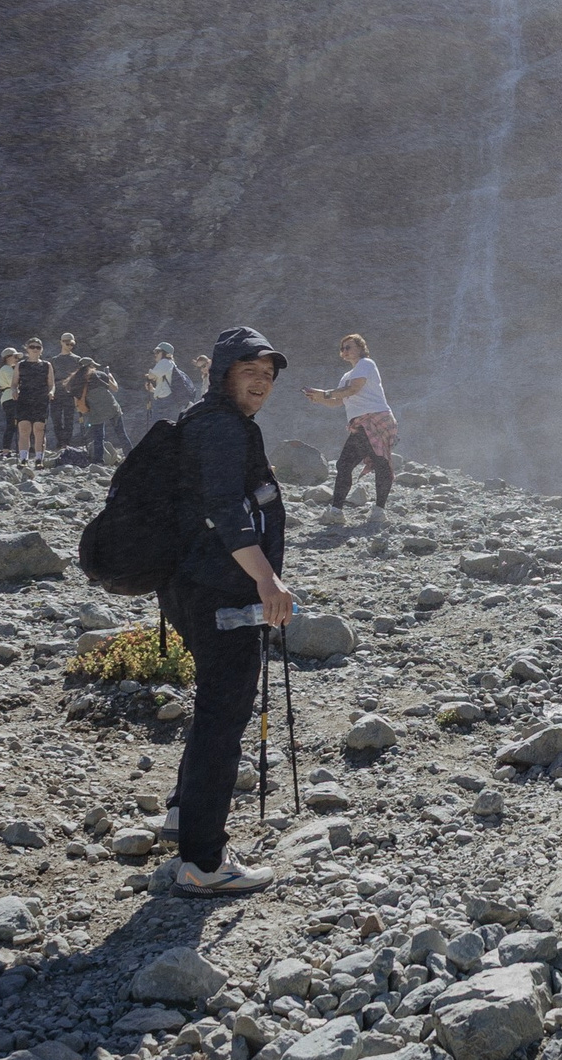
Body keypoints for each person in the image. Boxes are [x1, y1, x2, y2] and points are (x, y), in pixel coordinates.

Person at [154, 326, 295, 898]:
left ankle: (185, 815)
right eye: (249, 372)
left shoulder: (207, 421)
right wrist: (268, 579)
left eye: (268, 374)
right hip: (221, 592)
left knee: (214, 702)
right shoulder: (219, 427)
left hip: (195, 585)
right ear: (222, 375)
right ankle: (203, 862)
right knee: (224, 713)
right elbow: (223, 511)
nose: (261, 382)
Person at [307, 333, 398, 519]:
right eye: (342, 348)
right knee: (371, 463)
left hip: (373, 419)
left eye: (348, 347)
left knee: (359, 464)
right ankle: (372, 511)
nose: (345, 351)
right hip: (362, 423)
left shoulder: (366, 364)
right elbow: (338, 401)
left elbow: (354, 389)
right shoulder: (346, 376)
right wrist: (320, 399)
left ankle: (340, 511)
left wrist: (324, 394)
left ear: (360, 348)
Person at [12, 338, 54, 463]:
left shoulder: (47, 365)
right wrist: (14, 391)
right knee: (24, 428)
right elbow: (14, 383)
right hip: (24, 399)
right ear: (27, 349)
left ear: (41, 350)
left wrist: (51, 392)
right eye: (32, 347)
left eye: (38, 347)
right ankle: (23, 458)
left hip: (41, 399)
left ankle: (39, 459)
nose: (35, 349)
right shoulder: (21, 365)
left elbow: (51, 384)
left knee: (39, 428)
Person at [76, 361, 124, 463]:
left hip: (94, 411)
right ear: (91, 366)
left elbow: (77, 399)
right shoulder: (100, 375)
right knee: (121, 434)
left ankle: (98, 461)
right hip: (111, 408)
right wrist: (110, 377)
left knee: (98, 437)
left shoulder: (77, 380)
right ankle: (130, 455)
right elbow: (115, 388)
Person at [49, 333, 88, 450]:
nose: (69, 345)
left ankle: (65, 443)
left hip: (71, 392)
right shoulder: (53, 360)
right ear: (61, 342)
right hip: (56, 391)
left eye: (72, 343)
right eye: (67, 342)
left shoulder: (77, 360)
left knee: (68, 419)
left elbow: (81, 378)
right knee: (56, 418)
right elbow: (50, 378)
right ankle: (61, 442)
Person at [143, 343, 191, 433]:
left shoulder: (165, 362)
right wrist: (153, 390)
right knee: (170, 427)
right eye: (155, 352)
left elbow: (151, 375)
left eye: (158, 352)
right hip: (170, 400)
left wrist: (147, 376)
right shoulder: (171, 364)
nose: (155, 354)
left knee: (156, 428)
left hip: (165, 402)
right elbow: (165, 387)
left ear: (165, 354)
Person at [0, 347, 20, 456]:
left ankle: (7, 449)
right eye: (15, 356)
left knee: (11, 424)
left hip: (7, 398)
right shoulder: (7, 369)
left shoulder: (3, 369)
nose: (17, 358)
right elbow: (13, 383)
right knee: (13, 424)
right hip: (11, 398)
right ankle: (7, 450)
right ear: (8, 357)